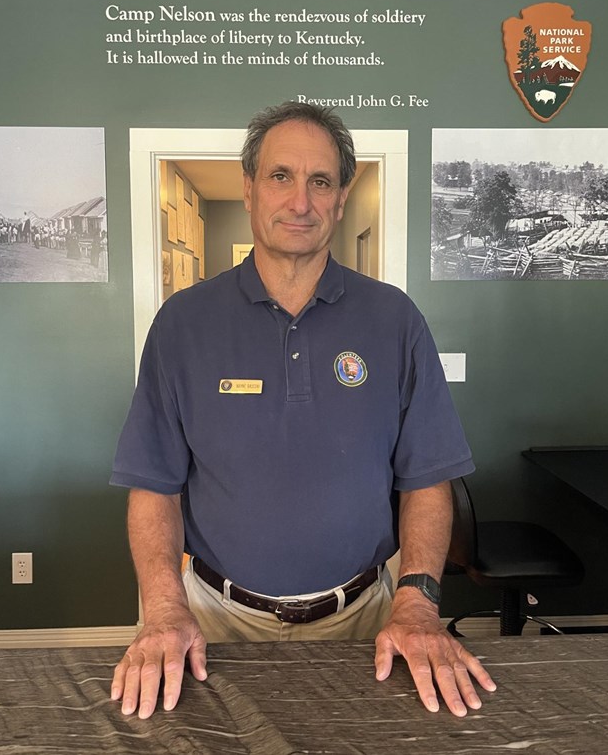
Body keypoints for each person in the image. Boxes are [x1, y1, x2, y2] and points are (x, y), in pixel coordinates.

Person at [110, 101, 496, 722]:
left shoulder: (395, 321)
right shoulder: (182, 324)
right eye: (280, 176)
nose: (300, 201)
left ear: (342, 198)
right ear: (249, 188)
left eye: (321, 181)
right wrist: (162, 610)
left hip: (367, 623)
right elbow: (153, 486)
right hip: (212, 625)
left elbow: (427, 480)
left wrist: (419, 604)